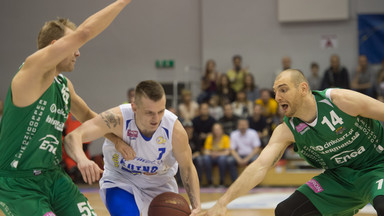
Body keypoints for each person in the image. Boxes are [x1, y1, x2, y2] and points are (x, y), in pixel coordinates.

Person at [0, 1, 132, 215]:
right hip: (18, 184)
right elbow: (85, 32)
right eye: (74, 46)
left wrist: (118, 140)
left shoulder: (63, 86)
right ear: (56, 46)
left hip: (53, 177)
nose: (78, 53)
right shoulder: (30, 73)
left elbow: (90, 117)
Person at [201, 69, 384, 216]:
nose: (277, 97)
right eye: (275, 92)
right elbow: (259, 167)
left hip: (377, 166)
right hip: (338, 178)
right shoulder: (286, 131)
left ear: (303, 88)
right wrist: (222, 203)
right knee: (286, 212)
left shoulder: (340, 101)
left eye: (283, 89)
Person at [64, 80, 201, 216]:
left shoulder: (174, 130)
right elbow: (73, 137)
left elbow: (187, 167)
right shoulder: (118, 118)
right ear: (134, 107)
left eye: (160, 111)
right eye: (149, 112)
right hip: (122, 179)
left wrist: (196, 206)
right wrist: (82, 159)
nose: (156, 118)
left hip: (159, 184)